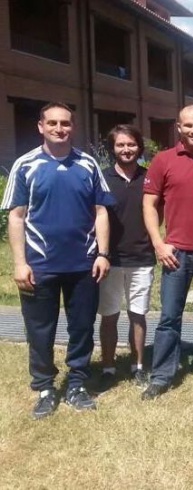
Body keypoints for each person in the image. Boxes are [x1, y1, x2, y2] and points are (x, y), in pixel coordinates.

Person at [2, 102, 114, 418]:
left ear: (72, 127)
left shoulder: (88, 164)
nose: (59, 128)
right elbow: (16, 217)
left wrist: (102, 253)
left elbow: (101, 211)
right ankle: (45, 388)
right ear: (41, 126)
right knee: (40, 331)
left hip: (84, 264)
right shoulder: (25, 165)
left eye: (65, 123)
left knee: (82, 328)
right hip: (39, 266)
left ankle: (77, 384)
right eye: (52, 123)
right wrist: (20, 263)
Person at [141, 105, 193, 400]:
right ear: (179, 127)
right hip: (176, 252)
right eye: (189, 125)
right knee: (170, 316)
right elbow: (149, 204)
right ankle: (162, 375)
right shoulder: (163, 160)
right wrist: (158, 243)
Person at [97, 125, 154, 392]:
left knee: (138, 315)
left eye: (131, 144)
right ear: (112, 148)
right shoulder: (102, 177)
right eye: (120, 144)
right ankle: (108, 367)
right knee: (109, 315)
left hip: (142, 257)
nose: (126, 149)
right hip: (110, 259)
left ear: (139, 147)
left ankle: (137, 366)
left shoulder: (149, 178)